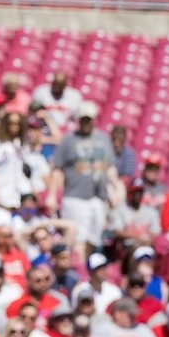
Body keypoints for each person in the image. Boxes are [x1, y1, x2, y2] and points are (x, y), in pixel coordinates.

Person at [48, 101, 116, 256]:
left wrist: (116, 188)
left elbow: (110, 167)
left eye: (89, 119)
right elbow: (57, 169)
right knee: (78, 239)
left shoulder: (103, 139)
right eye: (83, 119)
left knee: (94, 239)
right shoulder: (68, 140)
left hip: (98, 197)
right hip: (75, 196)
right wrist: (52, 195)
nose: (86, 123)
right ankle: (79, 270)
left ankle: (87, 266)